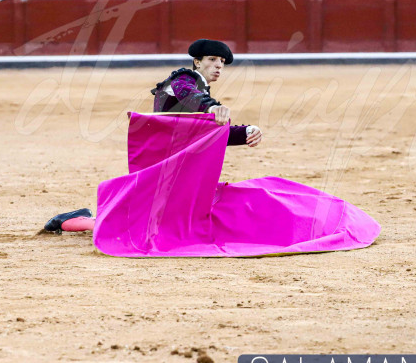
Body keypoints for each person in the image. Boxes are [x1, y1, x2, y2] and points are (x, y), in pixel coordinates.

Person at [43, 39, 262, 233]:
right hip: (165, 170)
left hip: (176, 170)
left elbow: (209, 133)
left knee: (158, 222)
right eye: (212, 59)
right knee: (137, 225)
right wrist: (212, 107)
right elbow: (189, 94)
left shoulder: (201, 93)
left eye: (222, 62)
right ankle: (73, 220)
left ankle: (85, 218)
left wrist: (246, 132)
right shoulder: (183, 80)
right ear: (197, 62)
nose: (218, 66)